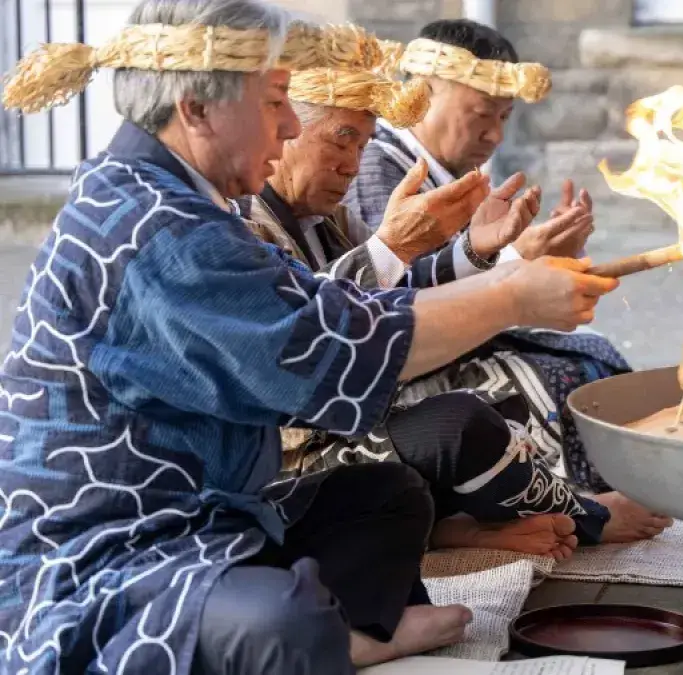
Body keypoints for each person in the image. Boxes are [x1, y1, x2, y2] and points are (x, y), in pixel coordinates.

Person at [0, 2, 619, 673]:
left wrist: (490, 267)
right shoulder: (158, 225)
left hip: (217, 517)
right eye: (274, 103)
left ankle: (332, 624)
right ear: (197, 109)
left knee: (389, 496)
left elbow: (342, 303)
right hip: (111, 548)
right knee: (277, 625)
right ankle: (332, 635)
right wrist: (512, 292)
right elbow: (327, 348)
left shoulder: (180, 198)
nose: (291, 123)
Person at [236, 67, 664, 554]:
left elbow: (391, 295)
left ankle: (454, 527)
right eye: (341, 141)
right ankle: (588, 515)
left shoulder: (327, 216)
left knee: (530, 384)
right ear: (286, 131)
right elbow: (307, 332)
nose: (353, 165)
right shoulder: (241, 222)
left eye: (361, 145)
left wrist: (477, 251)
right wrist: (398, 248)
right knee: (462, 419)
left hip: (365, 408)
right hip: (290, 461)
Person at [343, 19, 639, 498]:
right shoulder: (383, 165)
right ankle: (568, 505)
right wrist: (516, 259)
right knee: (559, 377)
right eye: (481, 115)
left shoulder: (450, 169)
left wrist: (542, 257)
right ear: (421, 95)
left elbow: (463, 266)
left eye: (504, 118)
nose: (495, 136)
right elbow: (396, 293)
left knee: (594, 353)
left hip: (453, 341)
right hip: (398, 370)